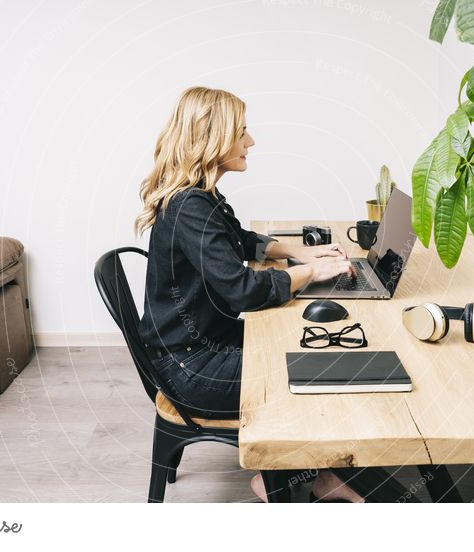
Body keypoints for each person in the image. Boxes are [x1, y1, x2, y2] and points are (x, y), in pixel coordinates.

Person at [135, 86, 364, 503]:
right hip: (189, 365)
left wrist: (295, 251)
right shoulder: (190, 207)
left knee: (304, 346)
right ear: (213, 140)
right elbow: (243, 290)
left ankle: (314, 472)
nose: (251, 141)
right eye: (242, 132)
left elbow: (238, 240)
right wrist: (312, 272)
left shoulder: (201, 197)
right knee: (300, 372)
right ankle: (286, 478)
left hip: (201, 343)